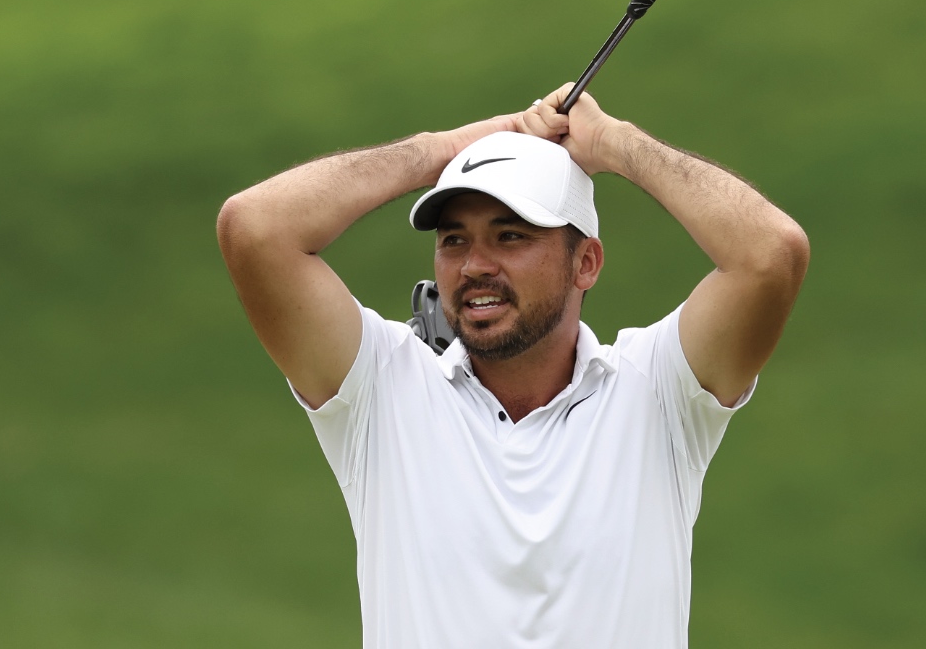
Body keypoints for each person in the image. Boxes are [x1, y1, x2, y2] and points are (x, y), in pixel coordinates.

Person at [216, 84, 809, 649]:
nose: (475, 264)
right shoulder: (381, 388)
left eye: (511, 236)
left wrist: (614, 145)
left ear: (586, 263)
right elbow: (255, 227)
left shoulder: (658, 391)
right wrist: (447, 150)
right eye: (454, 240)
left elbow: (770, 253)